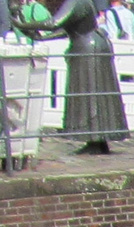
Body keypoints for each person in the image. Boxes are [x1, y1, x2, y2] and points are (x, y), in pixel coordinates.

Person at [13, 0, 126, 154]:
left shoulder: (75, 2)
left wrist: (22, 25)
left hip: (88, 49)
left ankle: (96, 141)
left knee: (89, 95)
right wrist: (42, 38)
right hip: (92, 45)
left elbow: (54, 23)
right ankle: (98, 140)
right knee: (95, 95)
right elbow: (69, 28)